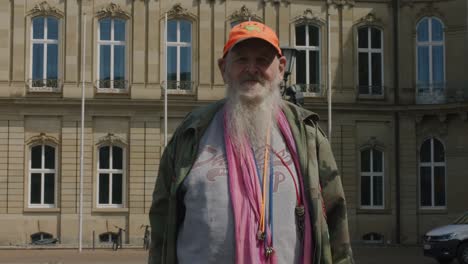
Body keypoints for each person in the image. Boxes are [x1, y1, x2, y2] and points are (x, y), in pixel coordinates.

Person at [149, 21, 354, 264]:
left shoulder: (307, 135)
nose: (252, 68)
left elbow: (335, 217)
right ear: (223, 68)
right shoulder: (190, 133)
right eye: (241, 60)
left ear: (280, 69)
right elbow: (163, 219)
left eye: (262, 60)